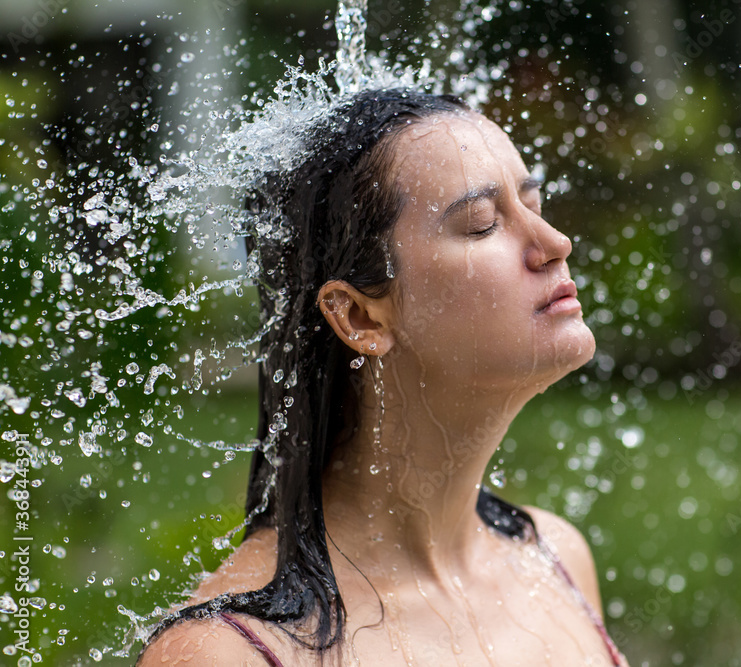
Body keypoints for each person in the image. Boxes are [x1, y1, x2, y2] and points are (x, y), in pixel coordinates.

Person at [138, 88, 627, 666]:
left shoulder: (554, 557)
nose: (555, 244)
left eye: (534, 207)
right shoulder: (232, 653)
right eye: (481, 225)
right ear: (360, 315)